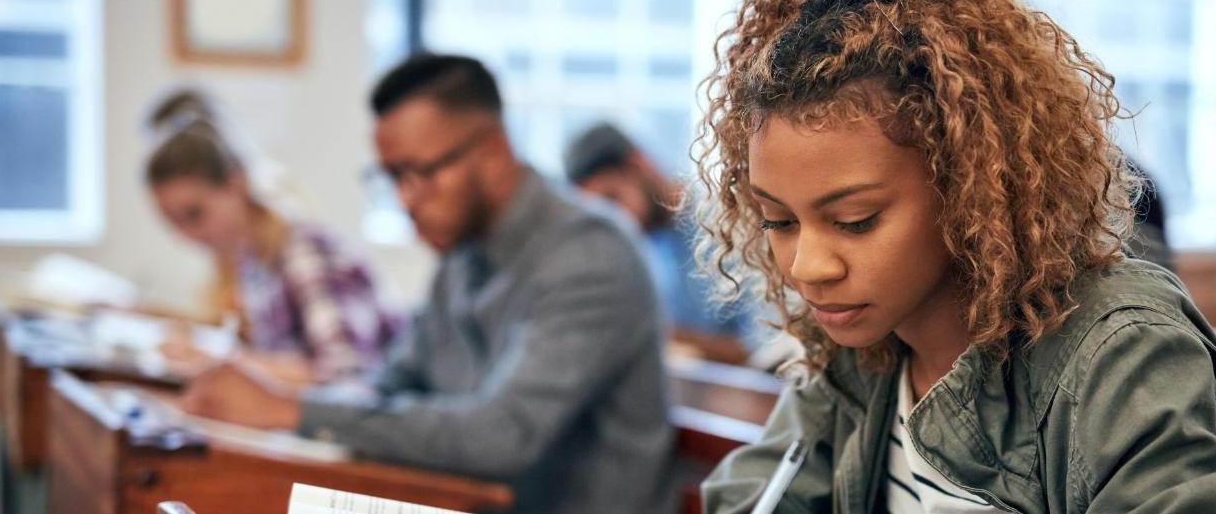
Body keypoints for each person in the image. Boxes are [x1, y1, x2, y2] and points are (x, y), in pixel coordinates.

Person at [692, 0, 1216, 512]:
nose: (808, 268)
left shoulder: (1121, 352)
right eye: (779, 221)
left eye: (856, 219)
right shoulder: (864, 348)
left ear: (970, 188)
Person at [179, 55, 675, 514]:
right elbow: (394, 382)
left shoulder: (592, 255)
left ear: (493, 152)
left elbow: (499, 437)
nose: (406, 200)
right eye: (392, 178)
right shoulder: (463, 254)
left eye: (419, 173)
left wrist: (286, 409)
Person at [144, 89, 404, 385]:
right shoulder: (251, 260)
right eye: (171, 221)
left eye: (194, 214)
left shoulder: (305, 251)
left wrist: (218, 362)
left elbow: (345, 376)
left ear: (236, 184)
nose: (186, 234)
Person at [564, 123, 758, 364]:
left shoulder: (729, 222)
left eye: (612, 200)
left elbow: (763, 349)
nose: (614, 222)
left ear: (638, 165)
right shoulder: (644, 246)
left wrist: (659, 335)